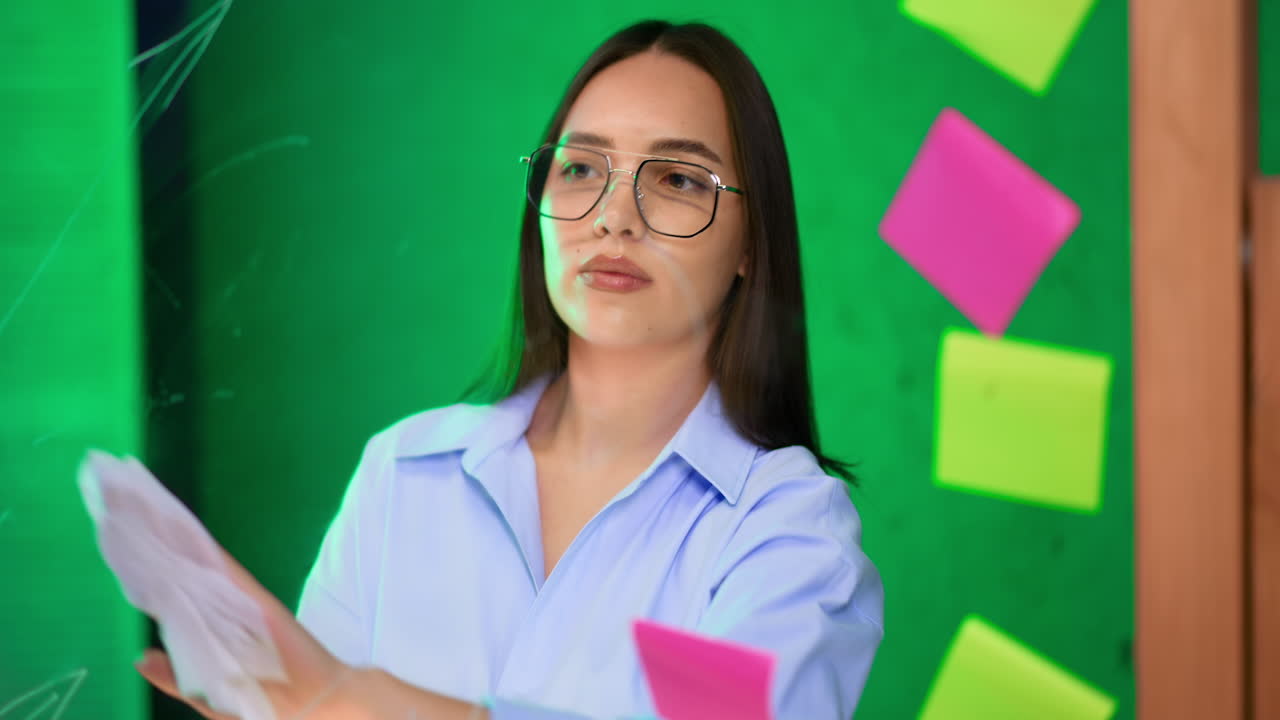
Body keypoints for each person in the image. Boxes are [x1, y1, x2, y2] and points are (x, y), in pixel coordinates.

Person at [137, 19, 883, 720]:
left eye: (680, 180)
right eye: (583, 167)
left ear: (752, 244)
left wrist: (370, 702)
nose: (613, 217)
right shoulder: (404, 474)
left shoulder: (784, 527)